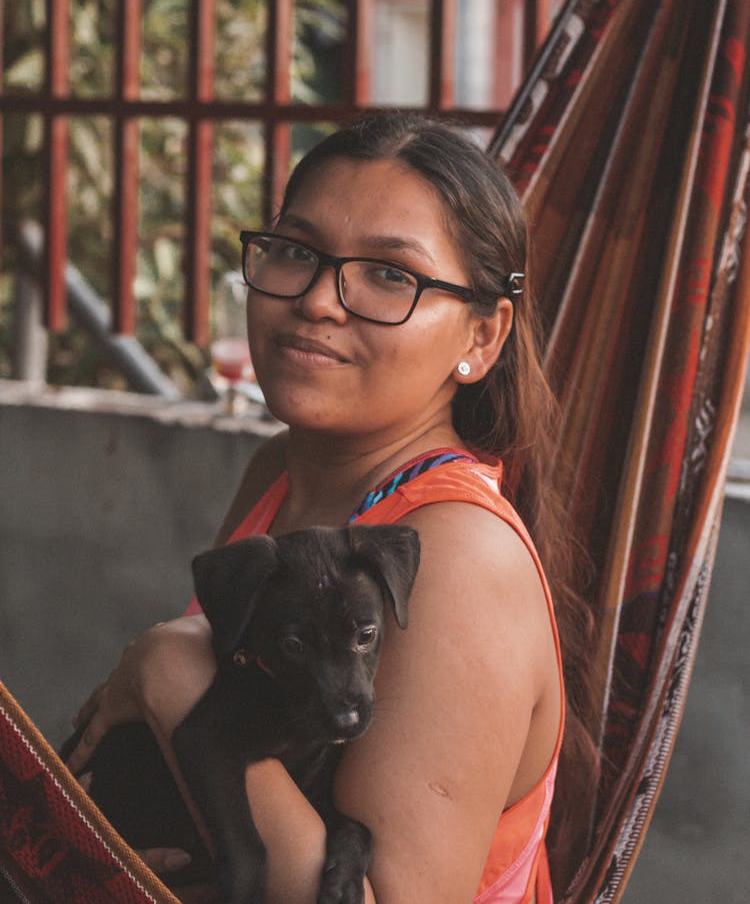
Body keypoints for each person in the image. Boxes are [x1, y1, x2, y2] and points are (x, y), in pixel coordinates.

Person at [66, 113, 595, 904]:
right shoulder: (281, 472)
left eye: (390, 274)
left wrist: (169, 673)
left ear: (482, 337)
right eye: (297, 251)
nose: (317, 299)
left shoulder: (456, 554)